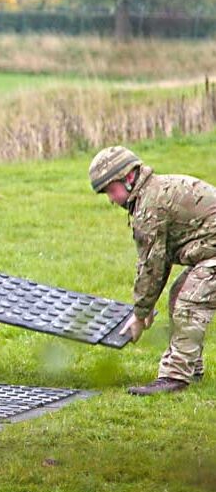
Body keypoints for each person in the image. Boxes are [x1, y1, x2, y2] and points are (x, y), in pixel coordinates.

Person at [89, 145, 216, 395]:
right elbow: (160, 262)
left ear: (128, 178)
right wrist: (144, 308)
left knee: (189, 301)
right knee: (180, 293)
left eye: (111, 190)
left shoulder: (150, 207)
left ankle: (174, 377)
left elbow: (151, 265)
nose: (111, 200)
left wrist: (139, 315)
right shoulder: (154, 191)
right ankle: (190, 367)